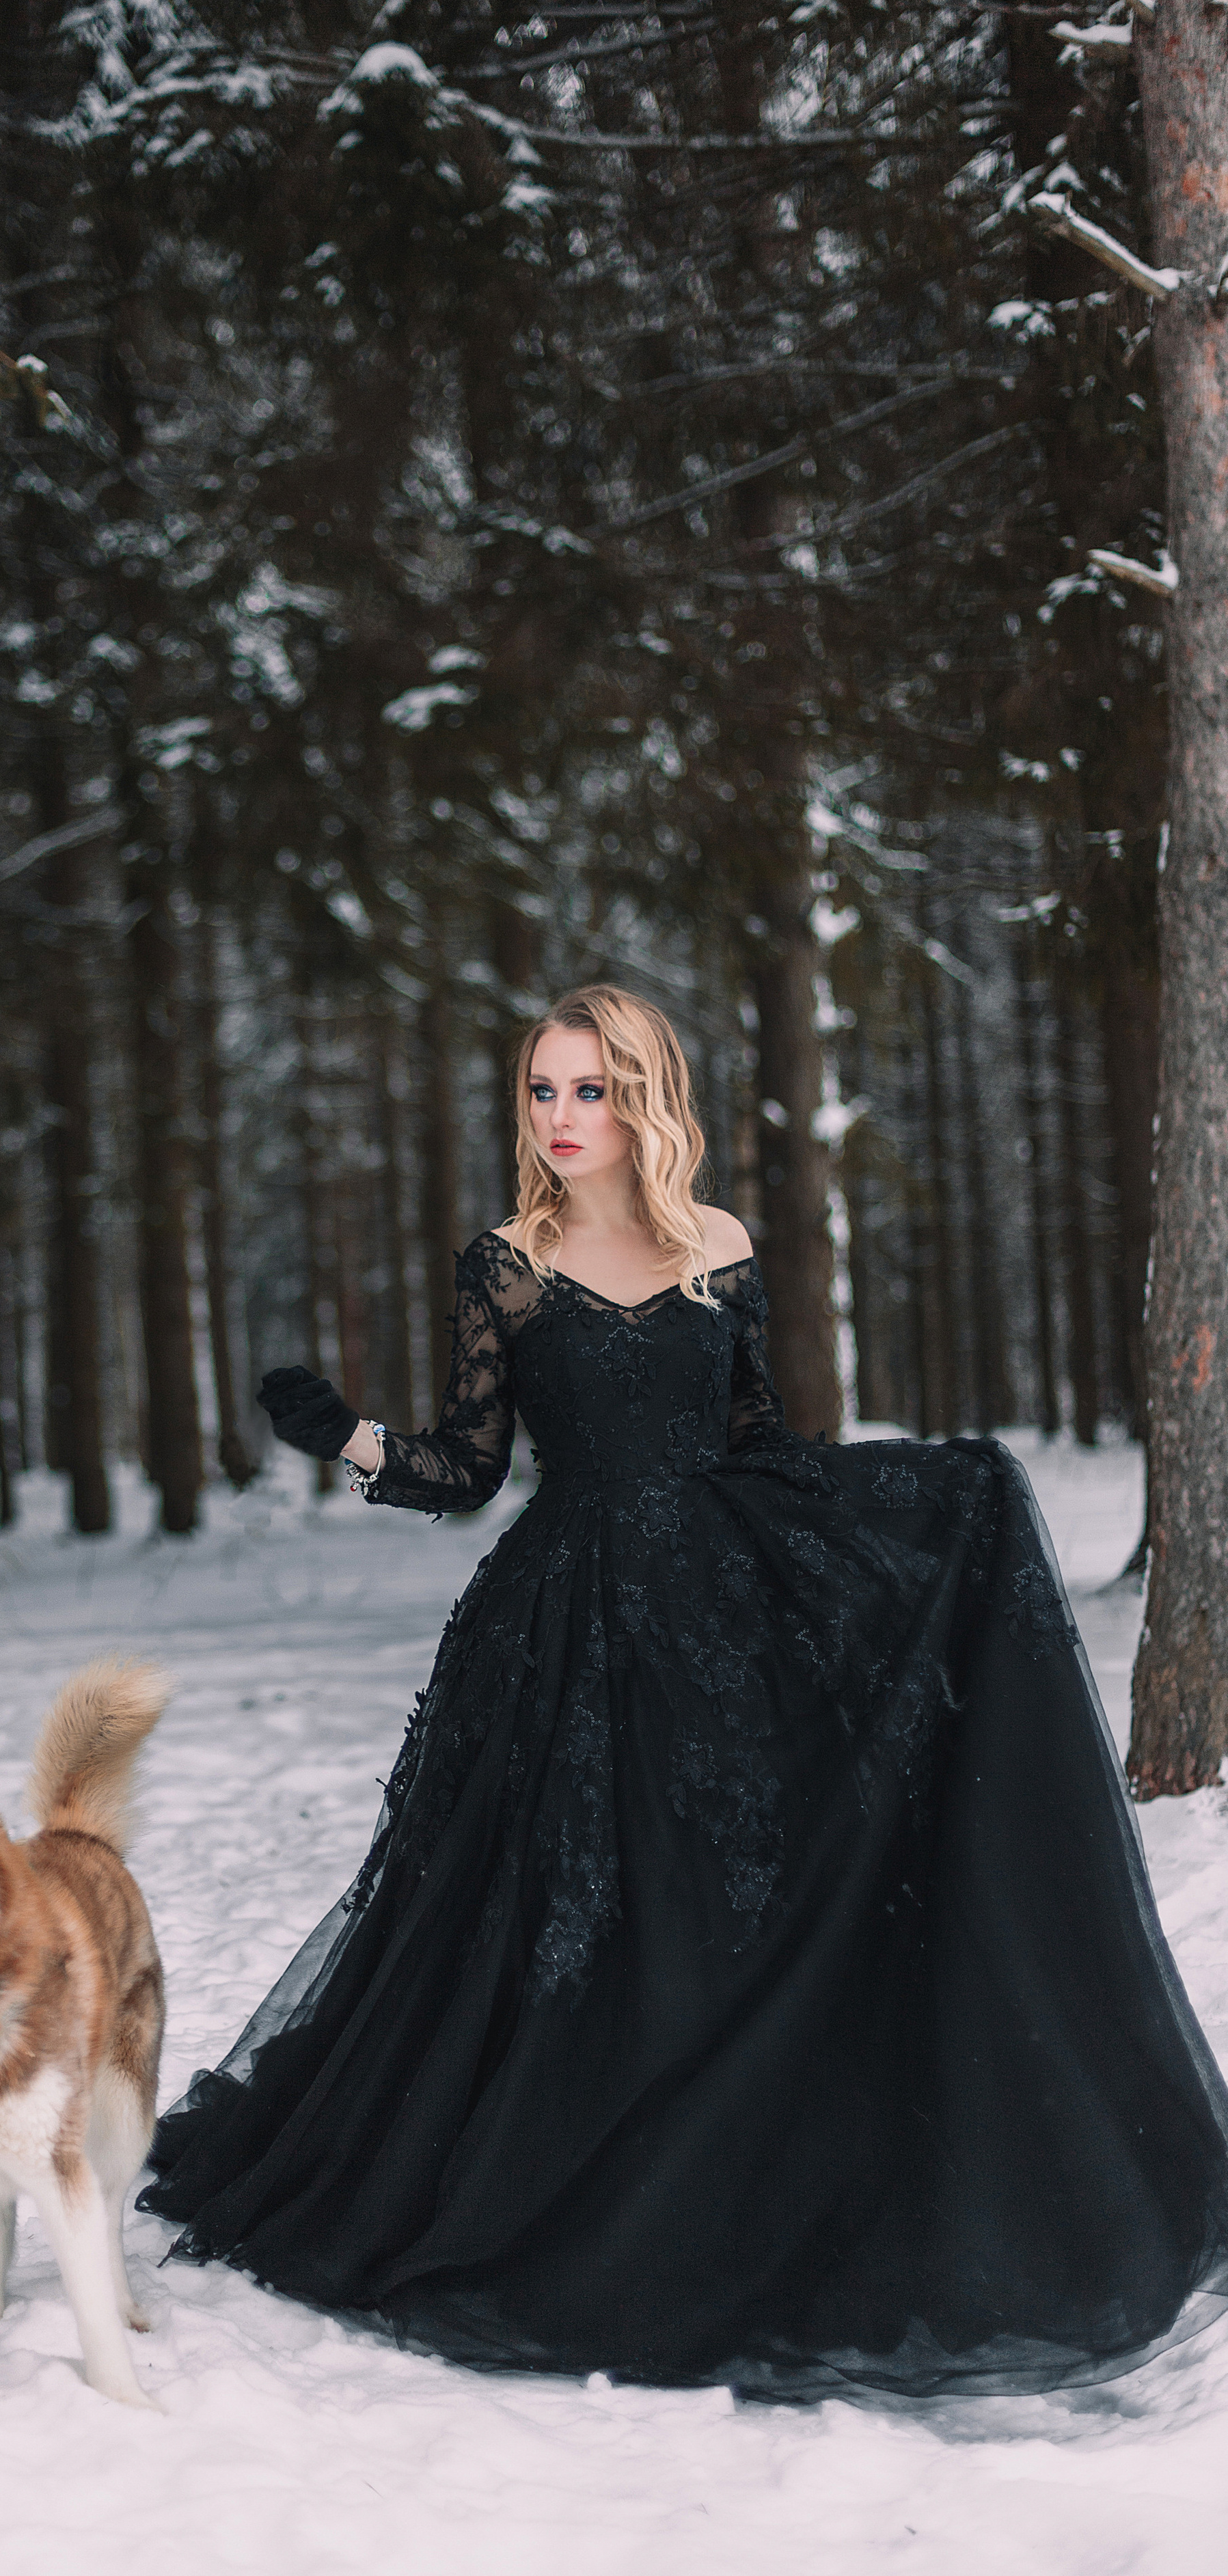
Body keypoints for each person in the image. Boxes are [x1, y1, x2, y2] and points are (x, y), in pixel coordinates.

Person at [140, 983, 1228, 2400]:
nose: (560, 1117)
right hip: (561, 1631)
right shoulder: (504, 1262)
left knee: (729, 1898)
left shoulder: (718, 1247)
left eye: (589, 1090)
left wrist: (919, 1500)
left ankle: (740, 2170)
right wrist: (345, 1435)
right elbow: (467, 1475)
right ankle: (557, 2185)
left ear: (643, 1098)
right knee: (569, 1915)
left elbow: (755, 1440)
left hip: (715, 1611)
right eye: (540, 1090)